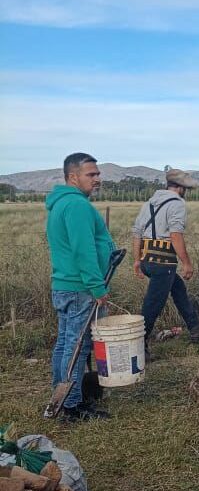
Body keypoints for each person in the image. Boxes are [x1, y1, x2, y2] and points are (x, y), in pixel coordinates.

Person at [45, 153, 114, 421]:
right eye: (91, 174)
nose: (97, 179)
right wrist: (97, 287)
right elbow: (83, 249)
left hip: (67, 284)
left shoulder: (62, 204)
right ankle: (72, 407)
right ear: (73, 177)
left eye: (97, 174)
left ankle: (59, 396)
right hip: (79, 287)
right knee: (77, 347)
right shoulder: (76, 206)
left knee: (66, 344)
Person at [132, 169, 199, 360]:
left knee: (177, 288)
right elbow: (175, 235)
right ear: (181, 188)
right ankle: (138, 348)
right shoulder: (177, 204)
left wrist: (137, 261)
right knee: (153, 305)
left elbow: (137, 233)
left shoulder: (148, 203)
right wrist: (187, 263)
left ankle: (194, 326)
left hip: (147, 261)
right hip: (163, 262)